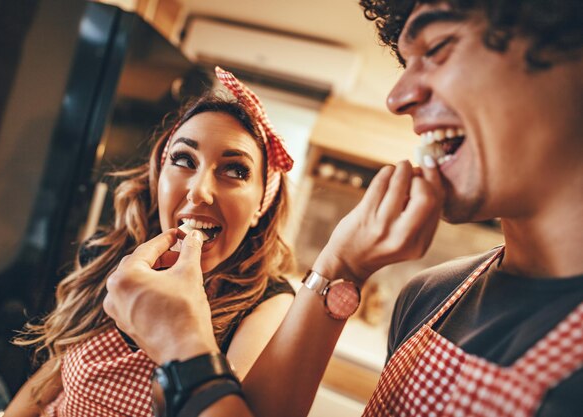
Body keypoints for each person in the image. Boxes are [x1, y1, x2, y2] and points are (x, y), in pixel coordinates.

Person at [106, 0, 583, 416]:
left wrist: (182, 347)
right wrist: (342, 264)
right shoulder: (432, 294)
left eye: (437, 48)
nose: (398, 98)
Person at [3, 67, 298, 417]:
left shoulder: (267, 307)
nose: (199, 191)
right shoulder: (108, 256)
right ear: (159, 181)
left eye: (234, 170)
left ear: (259, 208)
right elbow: (46, 382)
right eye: (184, 160)